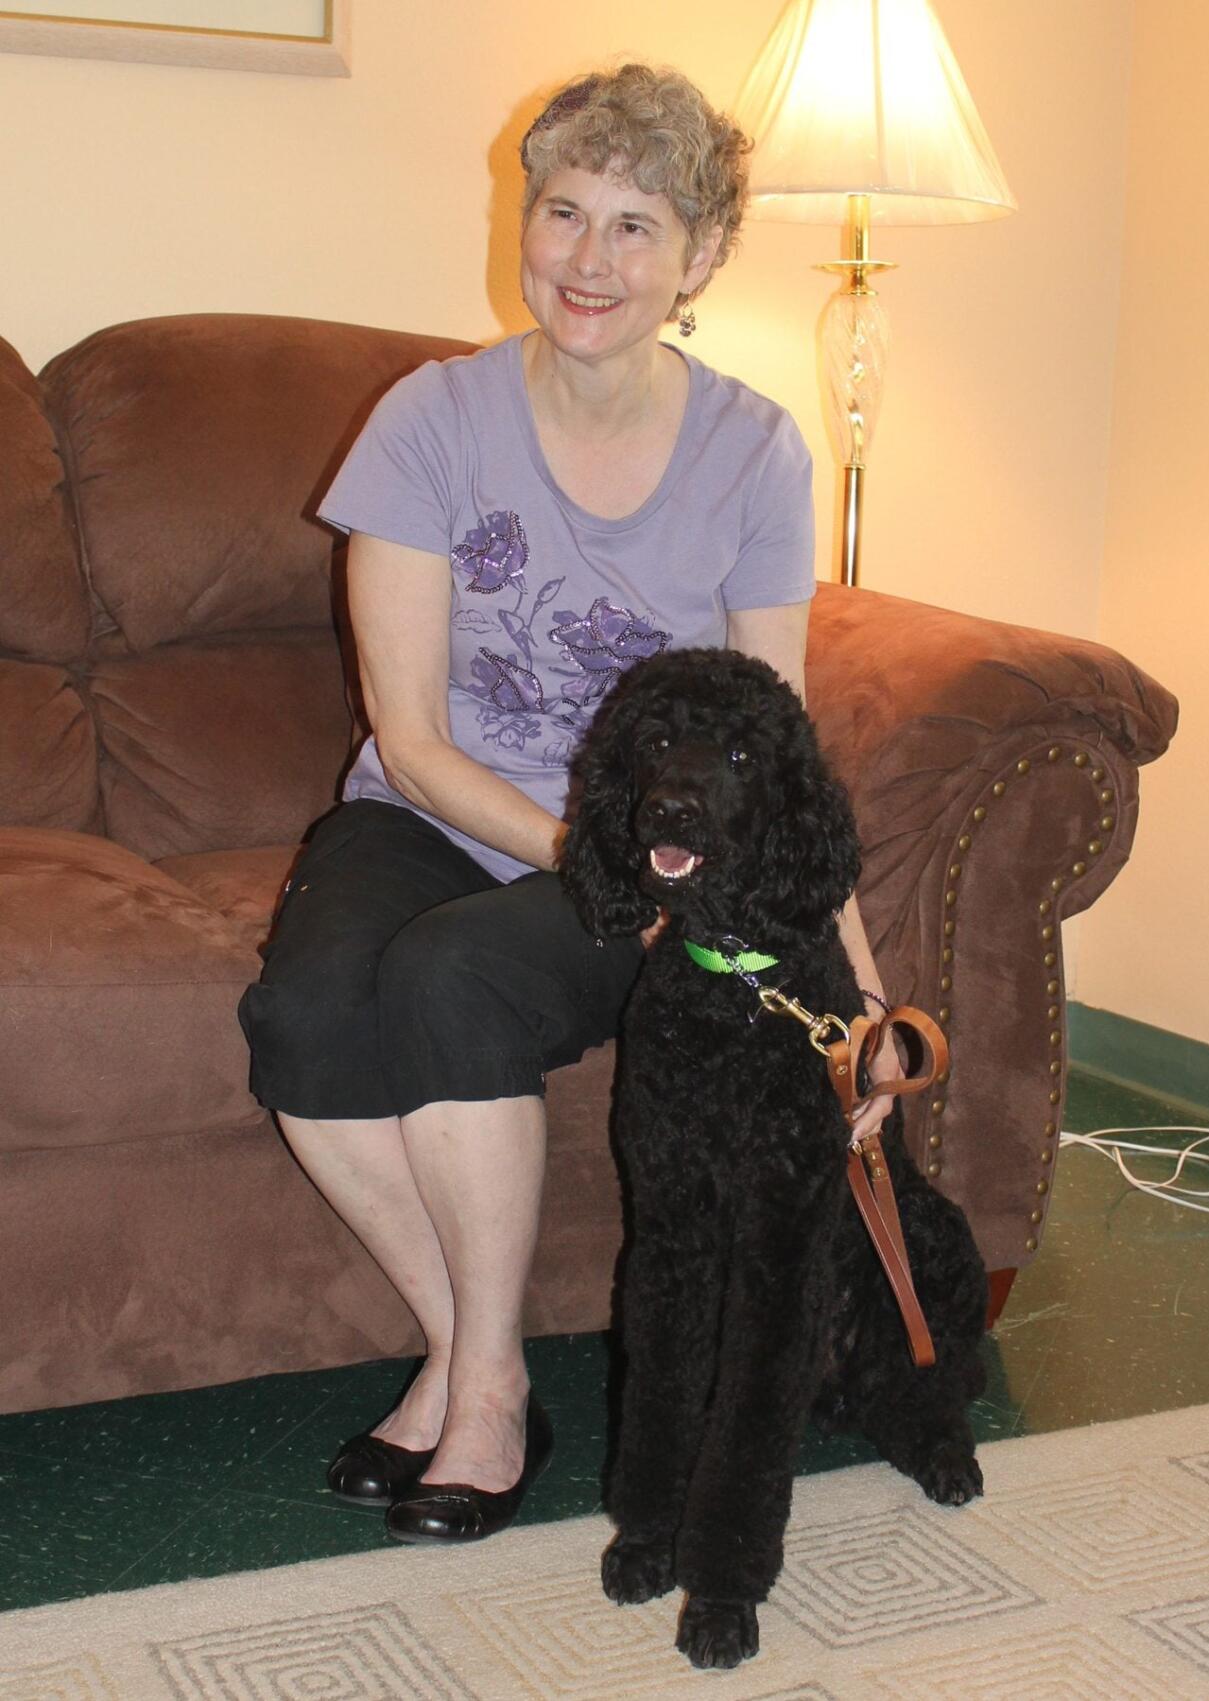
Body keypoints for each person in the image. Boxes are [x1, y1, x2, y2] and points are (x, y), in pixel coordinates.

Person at [238, 63, 896, 1546]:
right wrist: (596, 862)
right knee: (301, 1017)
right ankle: (485, 1364)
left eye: (636, 227)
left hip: (665, 859)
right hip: (440, 817)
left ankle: (471, 1417)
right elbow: (406, 741)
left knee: (455, 976)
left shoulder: (752, 451)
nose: (588, 261)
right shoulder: (428, 420)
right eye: (563, 213)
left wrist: (847, 977)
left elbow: (775, 745)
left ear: (699, 260)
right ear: (520, 219)